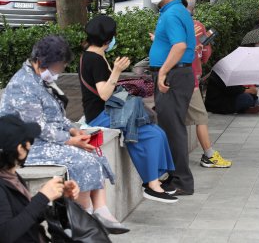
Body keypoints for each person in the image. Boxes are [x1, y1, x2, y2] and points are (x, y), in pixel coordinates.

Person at [0, 36, 128, 234]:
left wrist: (73, 129)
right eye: (59, 67)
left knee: (91, 148)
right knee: (82, 161)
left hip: (47, 137)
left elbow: (55, 115)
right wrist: (70, 140)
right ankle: (83, 217)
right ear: (41, 62)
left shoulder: (41, 79)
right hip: (29, 144)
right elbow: (38, 127)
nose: (59, 72)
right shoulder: (23, 85)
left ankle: (100, 210)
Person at [80, 15, 177, 203]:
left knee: (157, 132)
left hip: (109, 111)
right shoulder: (95, 60)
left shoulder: (92, 55)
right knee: (151, 134)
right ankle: (151, 185)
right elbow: (104, 94)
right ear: (108, 40)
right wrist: (116, 71)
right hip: (102, 116)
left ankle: (159, 179)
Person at [148, 0, 196, 196]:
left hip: (173, 77)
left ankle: (181, 181)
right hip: (178, 74)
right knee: (170, 127)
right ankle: (175, 176)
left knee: (173, 129)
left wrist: (163, 72)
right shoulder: (176, 11)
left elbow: (179, 46)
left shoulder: (172, 13)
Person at [0, 115, 81, 243]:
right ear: (20, 149)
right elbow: (5, 234)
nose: (31, 146)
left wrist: (58, 197)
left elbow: (25, 217)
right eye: (29, 141)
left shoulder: (11, 175)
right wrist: (42, 197)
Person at [179, 0, 232, 169]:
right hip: (191, 77)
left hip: (171, 77)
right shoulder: (198, 27)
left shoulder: (169, 25)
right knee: (201, 117)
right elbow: (207, 53)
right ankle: (208, 155)